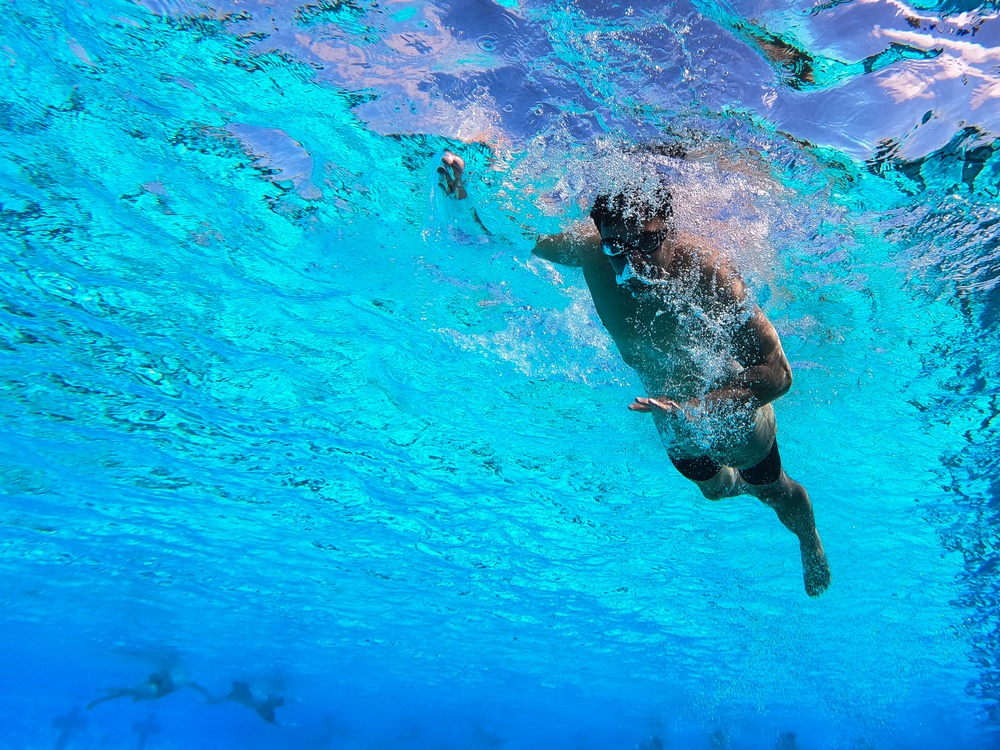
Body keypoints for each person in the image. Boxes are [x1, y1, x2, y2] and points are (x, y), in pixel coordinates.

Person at [438, 149, 830, 597]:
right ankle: (737, 486)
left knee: (775, 490)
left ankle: (808, 538)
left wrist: (702, 408)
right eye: (616, 248)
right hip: (664, 415)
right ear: (601, 238)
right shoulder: (590, 252)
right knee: (716, 492)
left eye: (647, 243)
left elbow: (779, 374)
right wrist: (465, 199)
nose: (632, 263)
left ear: (670, 231)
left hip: (732, 413)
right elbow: (517, 235)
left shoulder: (709, 273)